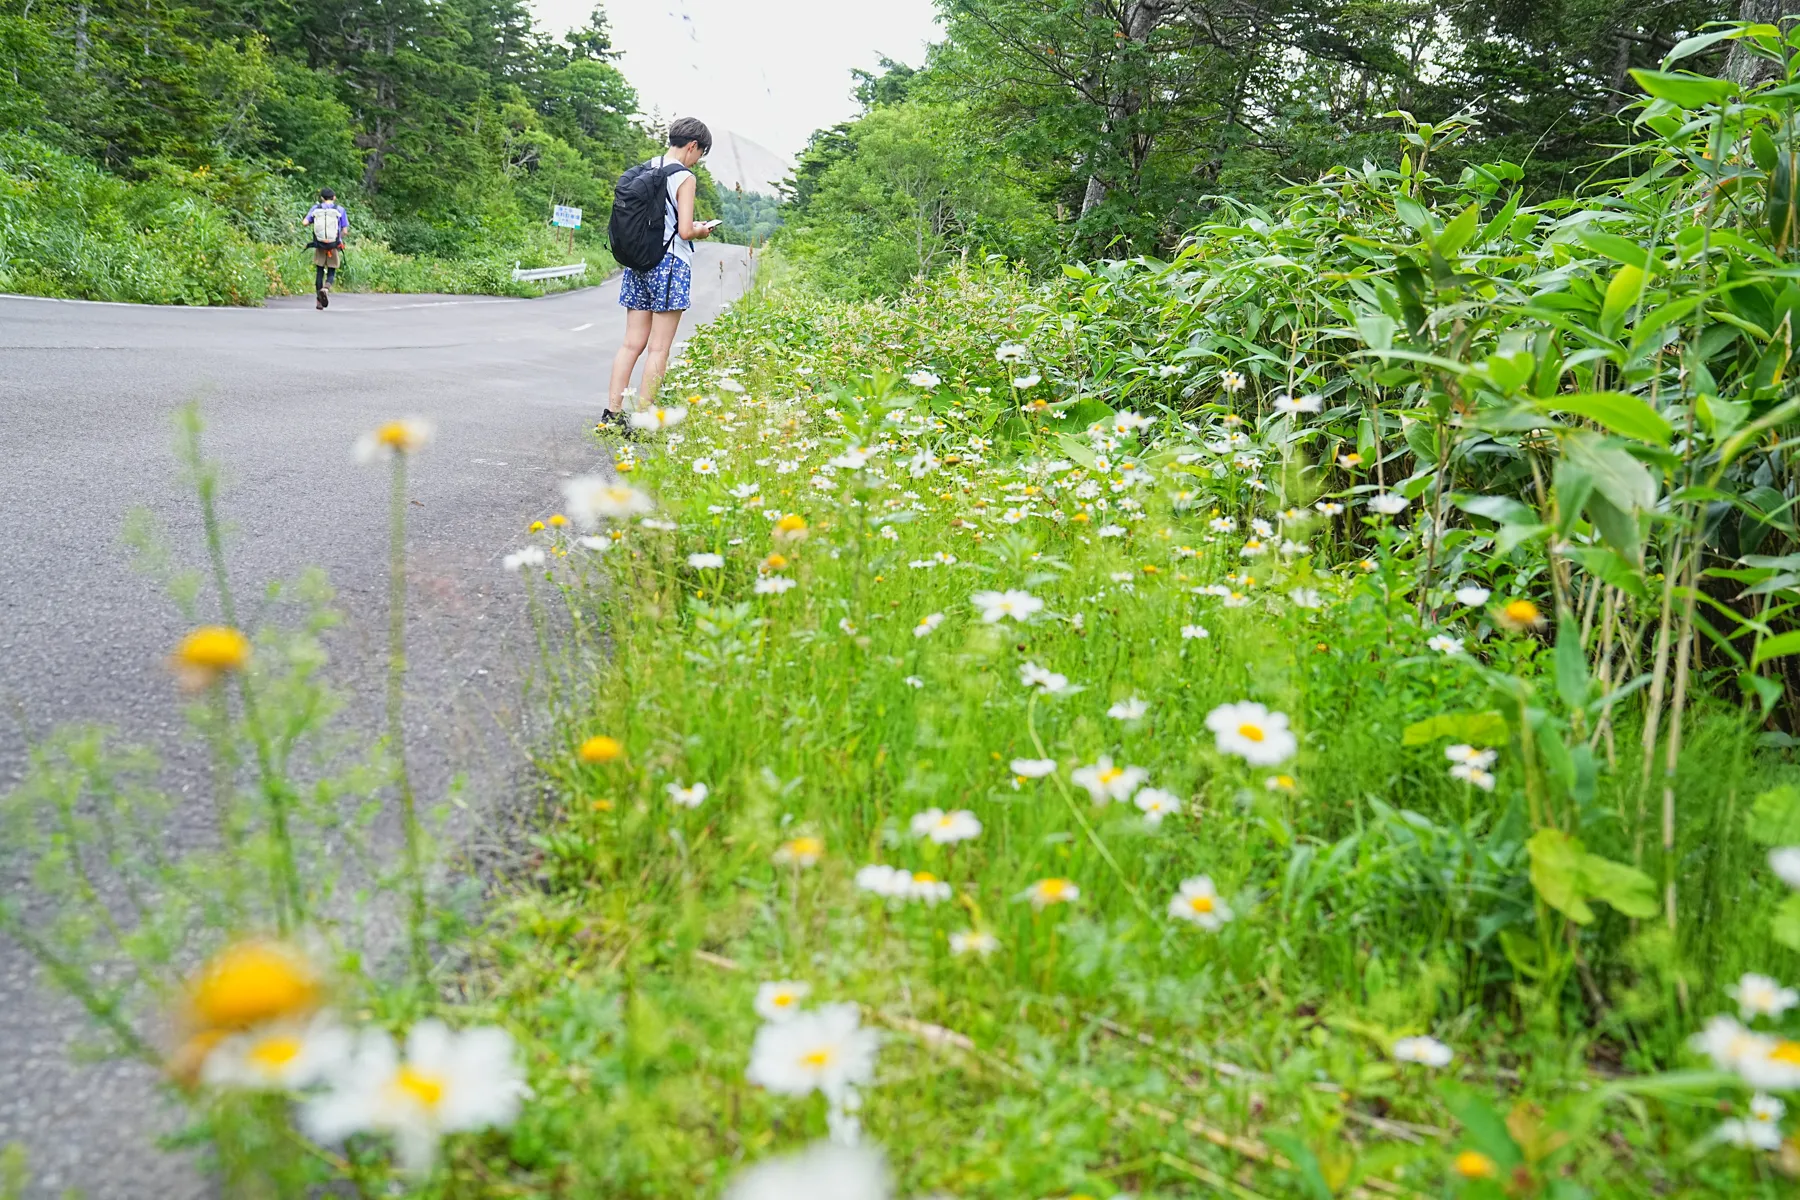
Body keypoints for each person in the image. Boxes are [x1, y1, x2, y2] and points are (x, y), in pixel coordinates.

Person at [601, 118, 719, 429]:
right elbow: (683, 230)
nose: (697, 160)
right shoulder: (684, 177)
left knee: (630, 343)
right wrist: (702, 230)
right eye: (700, 154)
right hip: (669, 266)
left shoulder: (646, 168)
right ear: (693, 146)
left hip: (638, 262)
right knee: (658, 348)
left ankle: (612, 415)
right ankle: (642, 420)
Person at [302, 188, 350, 310]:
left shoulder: (316, 208)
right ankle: (326, 288)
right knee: (332, 270)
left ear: (322, 198)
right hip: (333, 245)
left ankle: (319, 301)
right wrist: (338, 237)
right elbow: (345, 230)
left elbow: (305, 223)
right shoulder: (340, 209)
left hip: (319, 244)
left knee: (319, 271)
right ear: (334, 197)